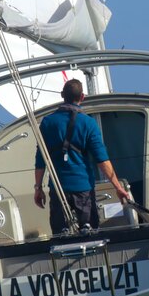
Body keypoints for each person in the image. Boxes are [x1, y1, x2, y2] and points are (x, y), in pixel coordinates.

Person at [34, 78, 130, 234]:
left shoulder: (47, 123)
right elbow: (102, 159)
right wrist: (118, 188)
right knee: (90, 233)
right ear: (82, 97)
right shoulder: (88, 123)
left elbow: (40, 159)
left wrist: (38, 188)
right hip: (83, 188)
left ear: (62, 95)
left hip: (58, 189)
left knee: (60, 235)